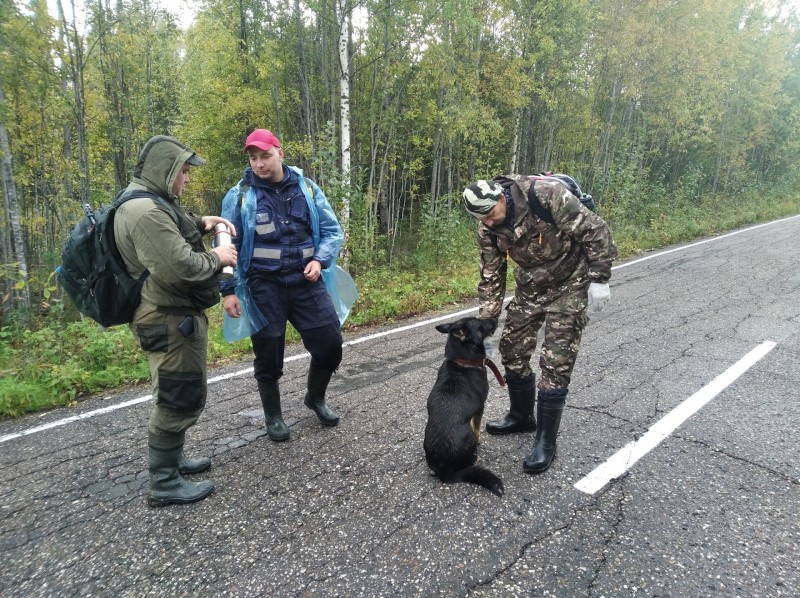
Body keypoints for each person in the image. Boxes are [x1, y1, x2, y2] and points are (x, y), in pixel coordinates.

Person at [461, 175, 617, 473]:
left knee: (555, 363)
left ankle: (546, 441)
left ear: (502, 199)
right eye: (483, 219)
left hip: (571, 282)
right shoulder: (487, 227)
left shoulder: (545, 195)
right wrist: (485, 324)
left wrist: (600, 278)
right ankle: (522, 416)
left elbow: (595, 230)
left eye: (491, 215)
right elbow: (491, 276)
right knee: (511, 349)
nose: (490, 223)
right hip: (531, 286)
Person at [114, 135, 238, 506]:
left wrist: (202, 222)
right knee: (176, 395)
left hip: (170, 314)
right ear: (165, 171)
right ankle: (164, 480)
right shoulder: (145, 212)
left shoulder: (148, 201)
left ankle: (174, 460)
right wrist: (219, 257)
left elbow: (172, 233)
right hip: (166, 317)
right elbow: (179, 268)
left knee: (178, 389)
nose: (186, 179)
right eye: (183, 172)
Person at [219, 129, 348, 442]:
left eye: (265, 156)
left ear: (280, 153)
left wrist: (320, 260)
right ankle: (274, 417)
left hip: (306, 280)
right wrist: (228, 290)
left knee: (330, 345)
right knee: (268, 354)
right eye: (253, 158)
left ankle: (315, 398)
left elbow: (332, 231)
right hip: (264, 286)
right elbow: (225, 243)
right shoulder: (239, 196)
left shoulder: (307, 187)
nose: (259, 164)